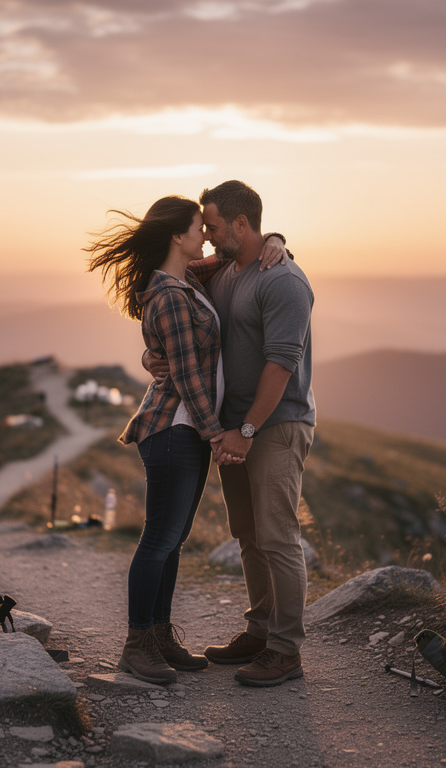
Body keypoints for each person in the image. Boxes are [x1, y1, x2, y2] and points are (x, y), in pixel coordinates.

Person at [85, 195, 288, 685]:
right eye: (199, 227)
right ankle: (138, 644)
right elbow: (188, 378)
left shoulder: (186, 280)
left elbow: (237, 251)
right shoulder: (172, 295)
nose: (205, 235)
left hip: (186, 432)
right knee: (158, 540)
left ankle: (158, 637)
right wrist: (215, 432)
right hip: (175, 428)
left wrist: (278, 241)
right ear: (178, 236)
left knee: (172, 542)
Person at [146, 180, 315, 687]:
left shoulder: (282, 280)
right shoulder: (225, 270)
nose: (208, 233)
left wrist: (244, 430)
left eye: (214, 225)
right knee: (248, 535)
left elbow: (283, 364)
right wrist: (152, 354)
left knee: (278, 537)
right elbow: (167, 281)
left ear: (241, 224)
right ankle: (260, 630)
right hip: (232, 428)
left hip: (275, 425)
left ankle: (286, 650)